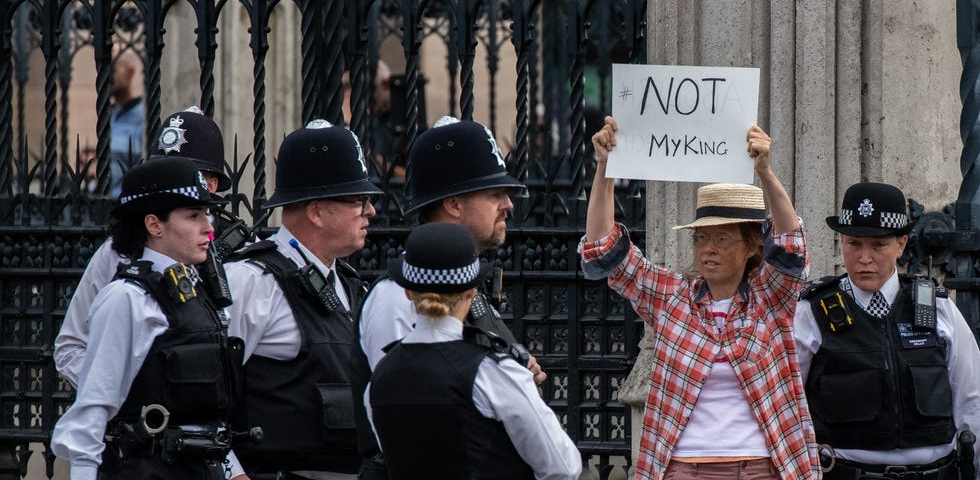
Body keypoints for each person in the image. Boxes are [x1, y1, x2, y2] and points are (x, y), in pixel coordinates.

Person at [579, 116, 817, 480]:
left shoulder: (770, 299)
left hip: (757, 466)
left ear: (752, 248)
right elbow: (604, 250)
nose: (708, 249)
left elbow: (791, 246)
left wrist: (766, 173)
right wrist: (606, 168)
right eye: (701, 238)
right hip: (682, 467)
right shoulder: (672, 298)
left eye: (721, 239)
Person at [351, 116, 543, 480]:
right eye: (494, 194)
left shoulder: (470, 286)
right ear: (454, 205)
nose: (509, 205)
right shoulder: (397, 296)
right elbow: (405, 422)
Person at [50, 157, 246, 480]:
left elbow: (207, 416)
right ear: (154, 225)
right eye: (194, 216)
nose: (209, 227)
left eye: (207, 214)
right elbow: (90, 418)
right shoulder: (126, 299)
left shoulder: (200, 295)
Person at [225, 120, 382, 480]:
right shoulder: (251, 281)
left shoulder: (348, 282)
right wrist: (232, 474)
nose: (370, 211)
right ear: (316, 211)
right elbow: (207, 398)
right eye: (358, 200)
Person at [365, 222, 582, 480]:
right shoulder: (493, 374)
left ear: (409, 293)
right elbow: (563, 466)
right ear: (471, 292)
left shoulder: (379, 378)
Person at [795, 181, 980, 478]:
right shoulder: (812, 312)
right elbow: (789, 403)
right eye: (854, 244)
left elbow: (971, 400)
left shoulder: (937, 308)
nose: (864, 258)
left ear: (901, 245)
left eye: (879, 245)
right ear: (841, 241)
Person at [55, 107, 234, 388]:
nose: (165, 183)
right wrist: (126, 394)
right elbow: (71, 347)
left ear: (210, 184)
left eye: (183, 173)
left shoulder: (240, 255)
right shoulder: (120, 253)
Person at [109, 45, 145, 197]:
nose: (105, 73)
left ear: (130, 72)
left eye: (113, 68)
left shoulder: (142, 116)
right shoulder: (111, 115)